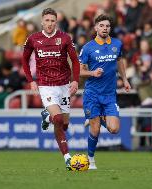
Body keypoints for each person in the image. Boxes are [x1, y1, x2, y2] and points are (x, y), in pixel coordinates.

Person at [21, 8, 80, 170]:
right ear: (42, 21)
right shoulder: (33, 39)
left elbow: (75, 61)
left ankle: (47, 117)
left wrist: (75, 81)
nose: (49, 24)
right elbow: (24, 60)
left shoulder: (65, 38)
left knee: (64, 125)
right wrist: (30, 80)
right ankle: (67, 157)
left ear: (56, 22)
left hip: (64, 85)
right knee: (59, 120)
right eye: (47, 20)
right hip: (46, 85)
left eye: (52, 21)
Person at [79, 14, 131, 169]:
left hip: (109, 95)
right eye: (101, 25)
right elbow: (80, 71)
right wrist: (92, 73)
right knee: (95, 130)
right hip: (92, 93)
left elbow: (119, 62)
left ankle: (97, 117)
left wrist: (125, 79)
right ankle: (91, 160)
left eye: (107, 26)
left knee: (114, 129)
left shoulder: (117, 44)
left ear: (110, 28)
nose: (104, 28)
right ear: (96, 27)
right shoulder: (88, 48)